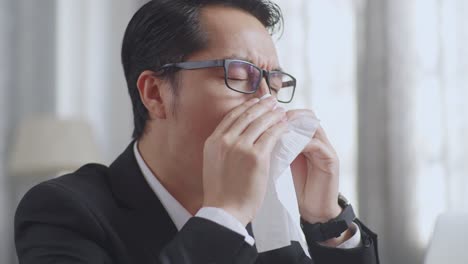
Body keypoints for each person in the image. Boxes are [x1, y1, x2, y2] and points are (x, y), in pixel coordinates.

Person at [15, 0, 379, 263]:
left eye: (275, 83)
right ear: (155, 93)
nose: (268, 103)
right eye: (239, 76)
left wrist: (326, 221)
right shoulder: (63, 211)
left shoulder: (281, 211)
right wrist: (226, 215)